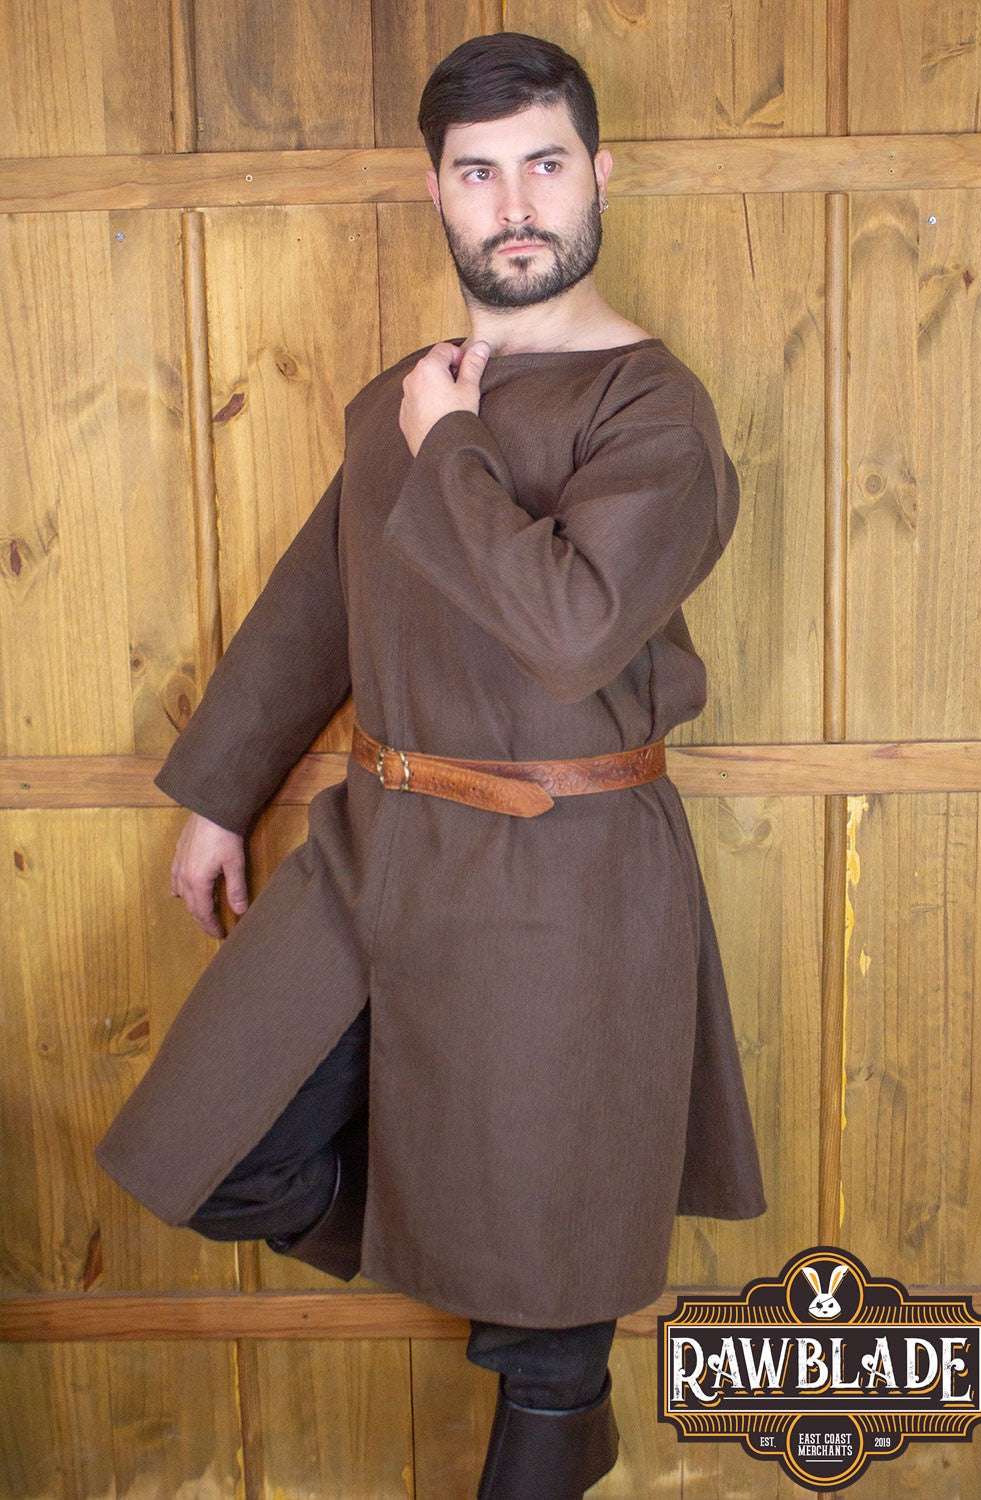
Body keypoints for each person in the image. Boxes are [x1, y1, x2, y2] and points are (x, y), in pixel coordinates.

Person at [95, 31, 766, 1499]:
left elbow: (571, 630)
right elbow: (317, 605)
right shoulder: (406, 397)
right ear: (436, 191)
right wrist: (220, 794)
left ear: (600, 174)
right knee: (220, 1155)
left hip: (566, 882)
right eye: (478, 173)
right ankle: (454, 1219)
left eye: (544, 164)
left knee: (546, 1299)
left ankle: (557, 1410)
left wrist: (451, 441)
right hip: (379, 851)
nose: (514, 205)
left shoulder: (654, 409)